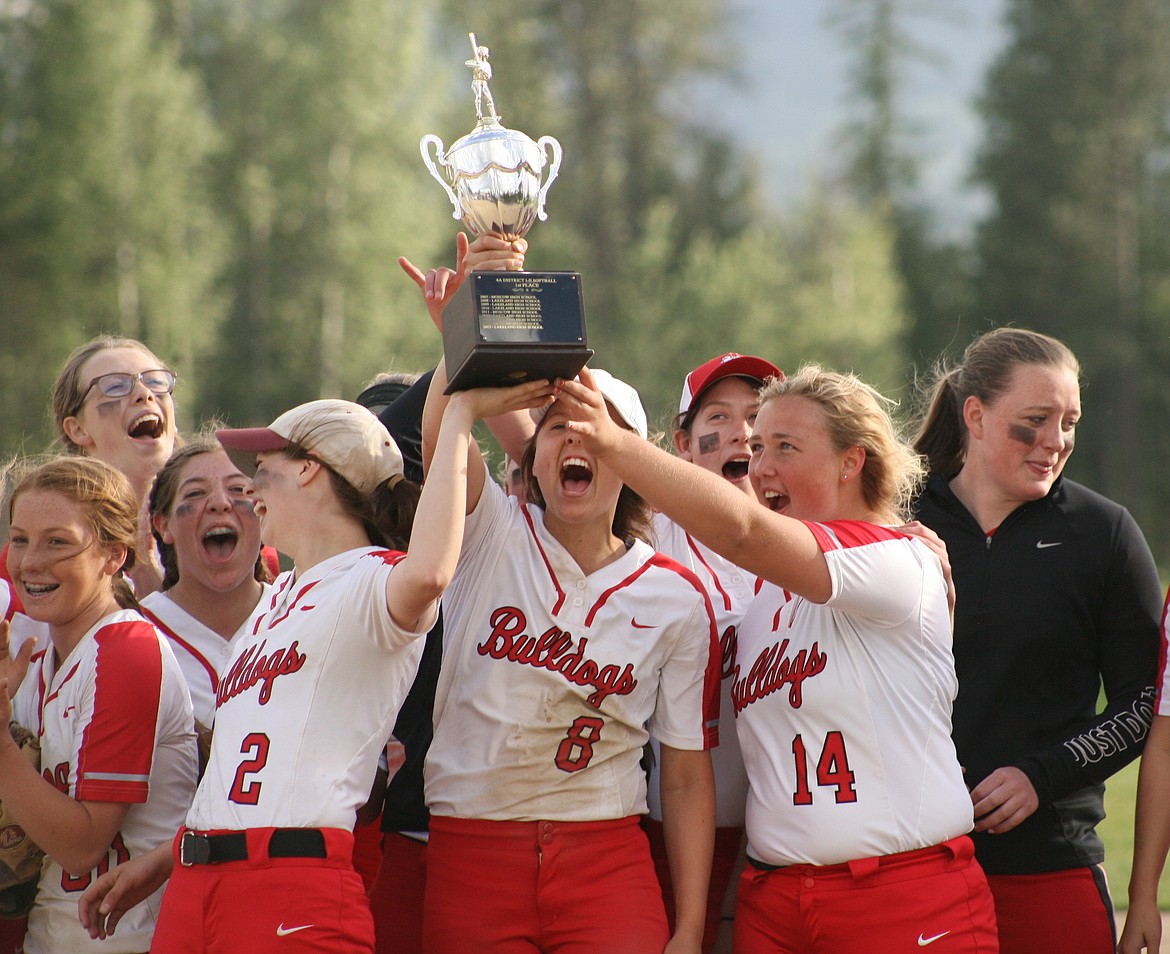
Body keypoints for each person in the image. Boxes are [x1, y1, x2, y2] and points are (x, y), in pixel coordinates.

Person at [78, 385, 553, 952]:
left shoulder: (374, 578)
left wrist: (459, 417)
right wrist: (164, 860)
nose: (251, 489)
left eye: (262, 470)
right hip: (196, 881)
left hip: (292, 881)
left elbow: (430, 573)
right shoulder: (273, 600)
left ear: (310, 469)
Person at [552, 363, 1000, 953]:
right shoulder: (761, 596)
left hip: (899, 890)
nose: (759, 465)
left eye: (785, 446)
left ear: (851, 461)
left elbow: (743, 531)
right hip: (773, 897)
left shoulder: (899, 558)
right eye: (759, 446)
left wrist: (612, 441)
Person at [419, 355, 720, 954]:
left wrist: (689, 927)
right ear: (533, 459)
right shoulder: (490, 531)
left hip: (606, 858)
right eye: (557, 425)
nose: (577, 435)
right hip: (474, 851)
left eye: (596, 423)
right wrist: (479, 321)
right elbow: (440, 435)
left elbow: (686, 777)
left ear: (633, 462)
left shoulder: (676, 596)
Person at [912, 327, 1162, 954]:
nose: (1056, 442)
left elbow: (1144, 704)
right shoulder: (896, 521)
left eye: (1069, 423)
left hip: (1050, 865)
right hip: (912, 864)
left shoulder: (1103, 532)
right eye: (1035, 421)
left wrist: (1042, 776)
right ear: (975, 415)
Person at [0, 456, 197, 953]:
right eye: (20, 539)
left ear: (113, 556)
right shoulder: (35, 666)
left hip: (134, 941)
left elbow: (82, 845)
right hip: (51, 937)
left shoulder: (125, 649)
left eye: (57, 542)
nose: (30, 562)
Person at [642, 352, 781, 954]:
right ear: (682, 443)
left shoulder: (808, 534)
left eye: (756, 415)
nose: (741, 431)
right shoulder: (652, 531)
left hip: (782, 832)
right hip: (667, 826)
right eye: (718, 417)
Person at [136, 436, 274, 772]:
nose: (220, 503)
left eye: (239, 490)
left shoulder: (303, 613)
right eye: (195, 493)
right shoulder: (132, 635)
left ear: (263, 510)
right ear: (162, 525)